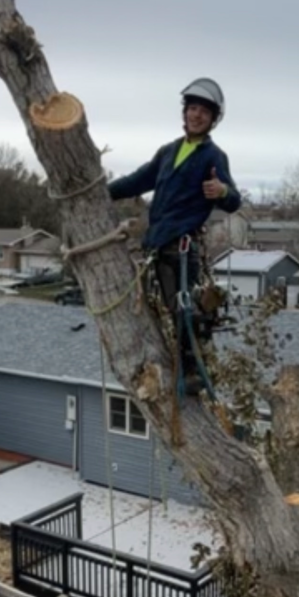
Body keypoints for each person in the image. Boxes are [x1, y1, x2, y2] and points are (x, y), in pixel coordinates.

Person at [108, 78, 241, 386]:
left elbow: (234, 201)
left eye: (203, 113)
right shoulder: (168, 152)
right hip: (156, 243)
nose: (196, 116)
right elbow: (138, 180)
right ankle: (161, 365)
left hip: (181, 247)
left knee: (184, 308)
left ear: (212, 120)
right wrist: (101, 192)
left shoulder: (213, 157)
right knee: (155, 311)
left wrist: (221, 190)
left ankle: (192, 372)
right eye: (192, 109)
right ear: (185, 113)